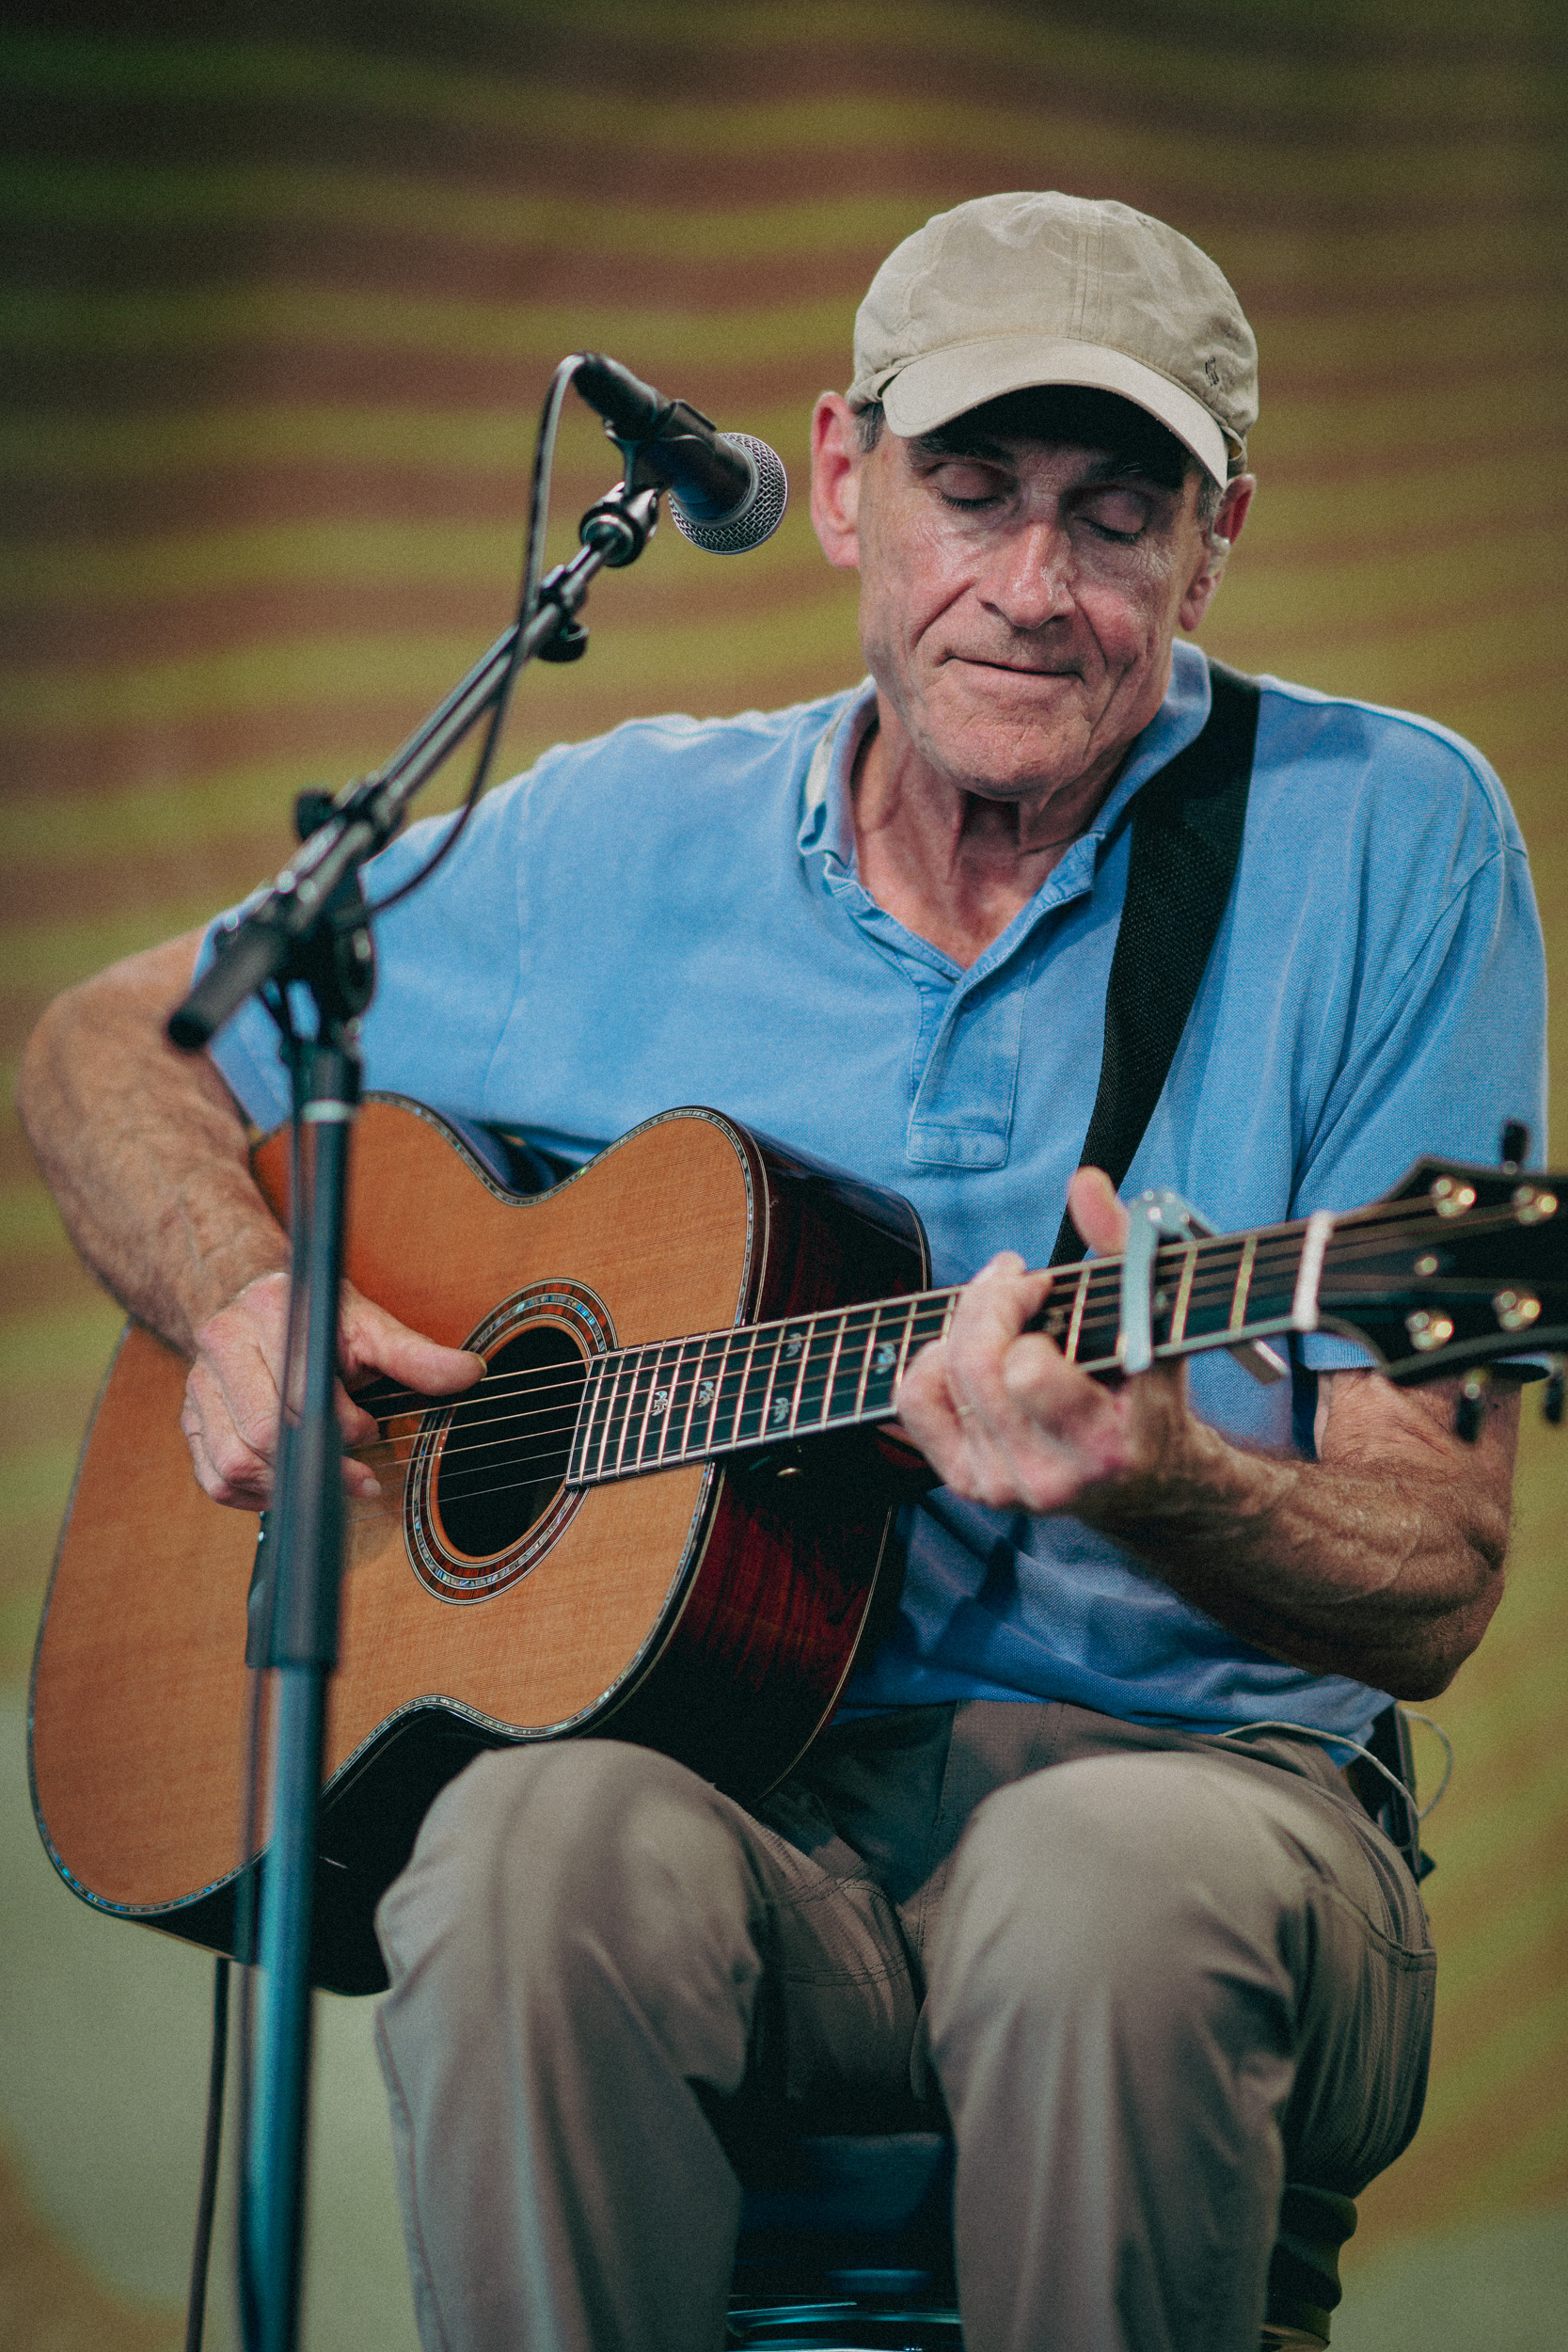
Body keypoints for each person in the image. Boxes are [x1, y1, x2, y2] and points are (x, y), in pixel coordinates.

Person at [19, 193, 1546, 2352]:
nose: (1035, 586)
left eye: (1119, 515)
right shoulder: (610, 841)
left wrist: (1163, 1476)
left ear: (1216, 542)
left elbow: (1438, 1566)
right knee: (521, 1847)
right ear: (841, 478)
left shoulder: (1386, 837)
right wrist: (239, 1295)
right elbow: (112, 1046)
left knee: (1095, 1894)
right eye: (973, 490)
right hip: (751, 1809)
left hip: (1220, 1818)